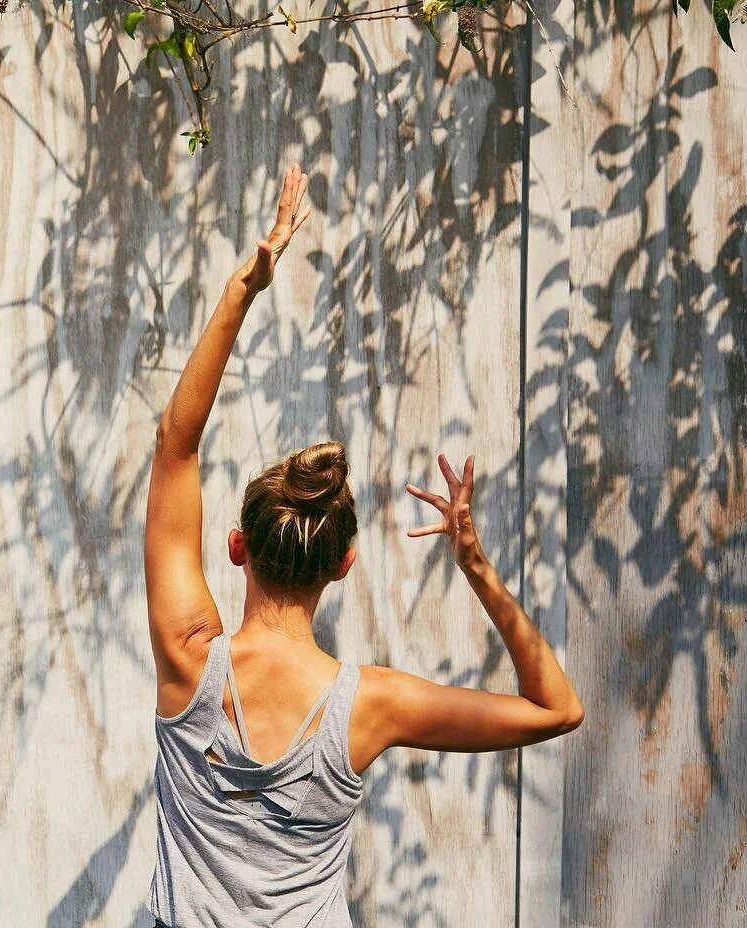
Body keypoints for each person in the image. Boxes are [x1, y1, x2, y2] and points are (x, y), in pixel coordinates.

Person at [144, 164, 584, 928]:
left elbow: (175, 450)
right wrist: (476, 568)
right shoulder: (371, 705)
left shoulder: (189, 658)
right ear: (345, 566)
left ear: (237, 547)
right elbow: (558, 709)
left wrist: (242, 291)